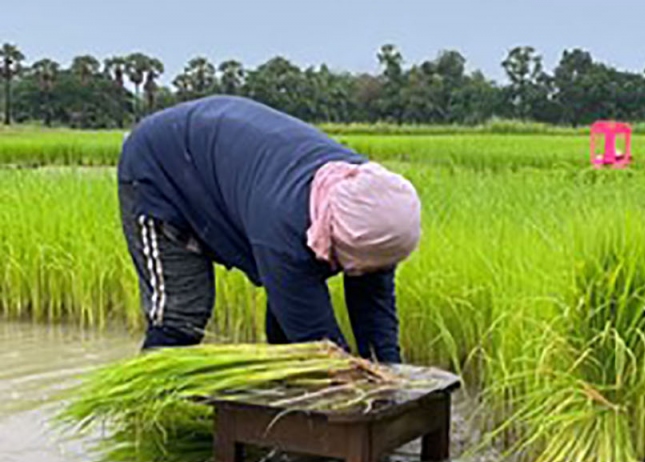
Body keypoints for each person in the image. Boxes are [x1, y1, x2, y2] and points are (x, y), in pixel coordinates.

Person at [117, 95, 421, 364]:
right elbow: (318, 348)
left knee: (290, 323)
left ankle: (286, 418)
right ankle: (150, 416)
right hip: (162, 172)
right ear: (329, 235)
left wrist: (391, 375)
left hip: (235, 163)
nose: (357, 273)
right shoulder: (286, 230)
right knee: (182, 315)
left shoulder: (375, 207)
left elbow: (374, 311)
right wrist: (352, 385)